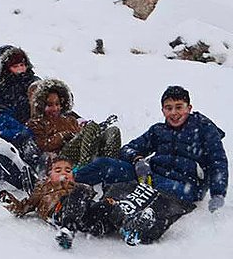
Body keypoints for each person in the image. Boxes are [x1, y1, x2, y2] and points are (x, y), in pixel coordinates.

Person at [75, 86, 228, 210]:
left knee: (155, 192)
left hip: (184, 184)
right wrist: (138, 160)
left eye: (179, 107)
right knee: (105, 164)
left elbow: (218, 162)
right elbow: (128, 148)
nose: (174, 113)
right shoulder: (158, 130)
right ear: (163, 111)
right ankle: (67, 184)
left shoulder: (204, 129)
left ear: (189, 108)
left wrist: (218, 193)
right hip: (151, 176)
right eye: (169, 108)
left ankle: (119, 209)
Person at [0, 157, 195, 248]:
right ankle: (67, 230)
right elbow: (26, 206)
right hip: (62, 213)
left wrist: (107, 202)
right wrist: (12, 202)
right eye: (58, 171)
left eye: (68, 170)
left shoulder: (79, 186)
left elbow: (89, 197)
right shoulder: (43, 189)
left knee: (109, 205)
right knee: (80, 194)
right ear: (49, 176)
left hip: (89, 219)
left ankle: (129, 229)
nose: (64, 173)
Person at [26, 79, 121, 166]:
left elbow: (83, 135)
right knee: (92, 127)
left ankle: (108, 167)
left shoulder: (70, 119)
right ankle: (84, 171)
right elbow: (43, 145)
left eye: (57, 104)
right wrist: (64, 135)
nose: (55, 108)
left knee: (112, 131)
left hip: (83, 151)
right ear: (42, 105)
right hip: (61, 158)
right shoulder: (36, 123)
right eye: (50, 105)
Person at [0, 46, 41, 123]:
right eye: (15, 66)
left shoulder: (34, 82)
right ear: (7, 68)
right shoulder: (0, 86)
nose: (20, 69)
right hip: (10, 125)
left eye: (22, 65)